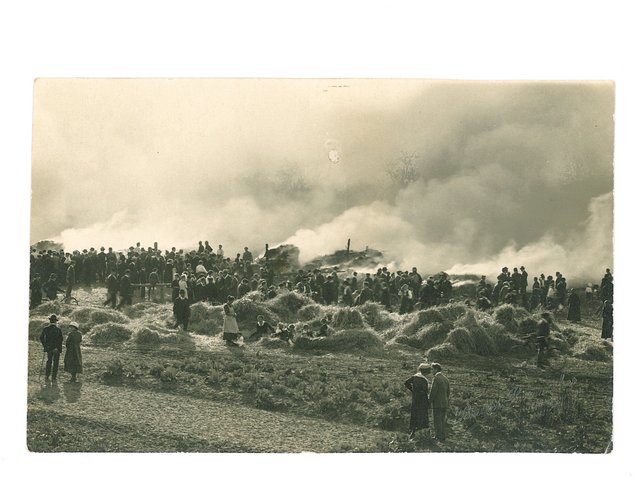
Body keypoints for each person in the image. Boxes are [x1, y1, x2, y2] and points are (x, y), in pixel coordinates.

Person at [404, 363, 431, 439]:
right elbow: (425, 392)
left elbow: (406, 383)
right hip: (422, 401)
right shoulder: (423, 380)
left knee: (414, 415)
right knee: (422, 416)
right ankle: (422, 434)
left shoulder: (415, 377)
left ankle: (413, 432)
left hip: (415, 399)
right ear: (425, 371)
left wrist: (413, 391)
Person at [429, 363, 450, 441]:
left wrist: (429, 401)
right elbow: (448, 392)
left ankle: (438, 436)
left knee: (437, 420)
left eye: (432, 369)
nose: (431, 371)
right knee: (442, 420)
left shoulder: (436, 378)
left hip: (437, 403)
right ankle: (442, 436)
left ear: (436, 369)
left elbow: (433, 392)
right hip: (444, 403)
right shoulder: (446, 379)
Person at [40, 315, 63, 382]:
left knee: (49, 361)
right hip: (56, 349)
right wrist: (59, 349)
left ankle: (47, 375)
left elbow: (41, 338)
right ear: (55, 322)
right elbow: (60, 340)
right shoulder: (58, 329)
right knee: (55, 362)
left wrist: (45, 346)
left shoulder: (46, 329)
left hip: (49, 348)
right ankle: (54, 377)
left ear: (50, 321)